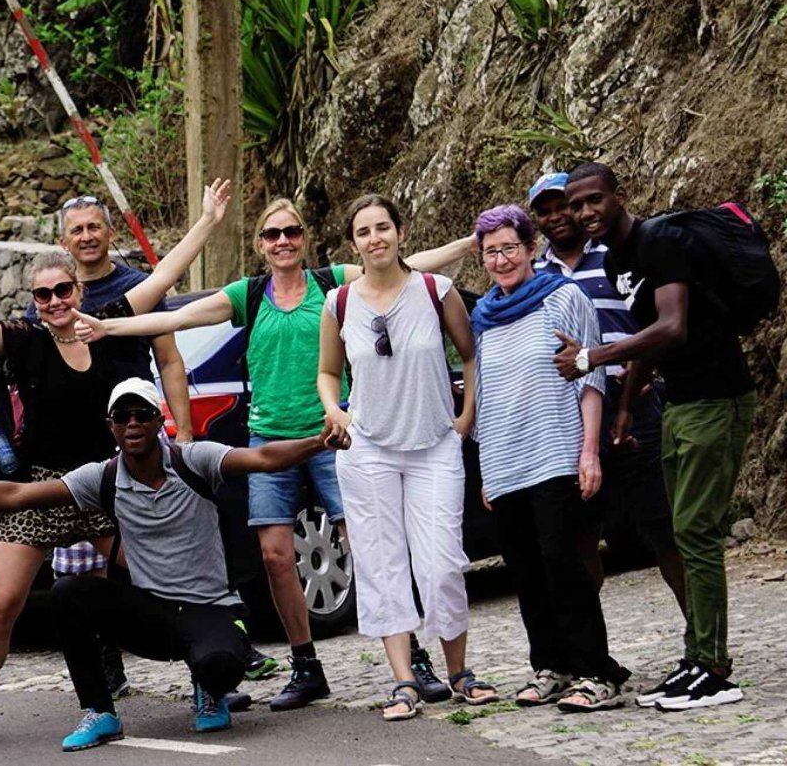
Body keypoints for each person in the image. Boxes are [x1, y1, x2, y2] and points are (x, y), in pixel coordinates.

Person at [0, 180, 233, 749]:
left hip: (109, 482)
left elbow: (163, 279)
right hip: (45, 486)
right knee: (3, 601)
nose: (55, 302)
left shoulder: (104, 324)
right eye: (44, 295)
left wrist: (206, 221)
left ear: (76, 292)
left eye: (63, 291)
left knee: (164, 583)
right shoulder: (26, 341)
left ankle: (208, 681)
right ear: (33, 301)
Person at [74, 197, 472, 710]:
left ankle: (413, 658)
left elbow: (406, 267)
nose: (282, 242)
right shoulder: (250, 294)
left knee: (367, 545)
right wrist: (110, 328)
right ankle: (306, 665)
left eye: (290, 232)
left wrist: (473, 243)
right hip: (269, 439)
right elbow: (181, 316)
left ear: (305, 238)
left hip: (338, 434)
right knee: (276, 557)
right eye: (271, 235)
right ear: (261, 246)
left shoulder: (335, 284)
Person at [0, 376, 353, 751]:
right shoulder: (104, 476)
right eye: (122, 417)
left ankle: (208, 688)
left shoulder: (193, 460)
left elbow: (263, 456)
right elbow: (15, 495)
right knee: (69, 592)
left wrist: (318, 441)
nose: (133, 424)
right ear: (111, 427)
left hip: (210, 608)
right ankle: (100, 712)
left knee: (219, 663)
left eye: (142, 415)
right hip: (151, 613)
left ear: (159, 421)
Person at [554, 163, 757, 711]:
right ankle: (697, 660)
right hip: (679, 402)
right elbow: (650, 339)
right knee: (683, 529)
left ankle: (713, 666)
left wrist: (593, 357)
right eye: (576, 206)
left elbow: (672, 326)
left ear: (620, 197)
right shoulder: (622, 257)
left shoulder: (660, 241)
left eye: (594, 200)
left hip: (717, 398)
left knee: (693, 533)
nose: (584, 213)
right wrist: (624, 406)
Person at [37, 194, 242, 698]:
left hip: (139, 439)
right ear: (64, 242)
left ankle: (208, 658)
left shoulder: (132, 290)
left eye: (94, 227)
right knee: (86, 567)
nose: (86, 237)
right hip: (84, 456)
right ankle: (107, 672)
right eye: (76, 230)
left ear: (110, 233)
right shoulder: (50, 296)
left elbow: (170, 358)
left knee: (165, 557)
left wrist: (186, 434)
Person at [315, 195, 495, 721]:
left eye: (384, 227)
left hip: (434, 444)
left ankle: (459, 672)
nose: (376, 239)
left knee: (442, 564)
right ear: (354, 244)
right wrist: (334, 411)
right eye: (364, 232)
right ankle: (404, 682)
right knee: (381, 565)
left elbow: (469, 353)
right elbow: (328, 373)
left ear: (401, 232)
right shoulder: (339, 303)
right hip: (367, 448)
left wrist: (465, 418)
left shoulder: (437, 291)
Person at [470, 204, 629, 713]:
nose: (501, 260)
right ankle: (552, 667)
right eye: (491, 252)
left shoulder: (564, 298)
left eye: (510, 248)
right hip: (505, 458)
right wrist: (486, 469)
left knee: (564, 563)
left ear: (531, 248)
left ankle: (595, 672)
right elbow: (487, 392)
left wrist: (589, 451)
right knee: (525, 570)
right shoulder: (482, 318)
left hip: (556, 452)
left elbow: (590, 379)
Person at [527, 172, 687, 613]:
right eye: (546, 210)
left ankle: (701, 643)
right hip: (570, 412)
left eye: (565, 205)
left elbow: (656, 325)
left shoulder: (619, 254)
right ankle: (587, 656)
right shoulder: (535, 274)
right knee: (578, 535)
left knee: (663, 526)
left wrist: (631, 386)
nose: (559, 216)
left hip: (633, 396)